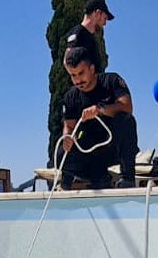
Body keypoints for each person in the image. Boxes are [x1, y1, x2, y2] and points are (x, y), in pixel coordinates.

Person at [59, 45, 138, 190]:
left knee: (126, 121)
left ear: (92, 69)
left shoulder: (111, 81)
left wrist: (100, 109)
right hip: (88, 150)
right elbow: (69, 126)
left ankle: (127, 178)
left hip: (112, 148)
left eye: (81, 73)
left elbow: (127, 107)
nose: (77, 80)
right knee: (61, 149)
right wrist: (68, 137)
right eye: (73, 75)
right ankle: (66, 182)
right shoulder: (70, 96)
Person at [65, 0, 114, 72]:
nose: (105, 24)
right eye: (104, 18)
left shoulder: (91, 38)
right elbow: (67, 61)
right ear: (97, 13)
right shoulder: (78, 33)